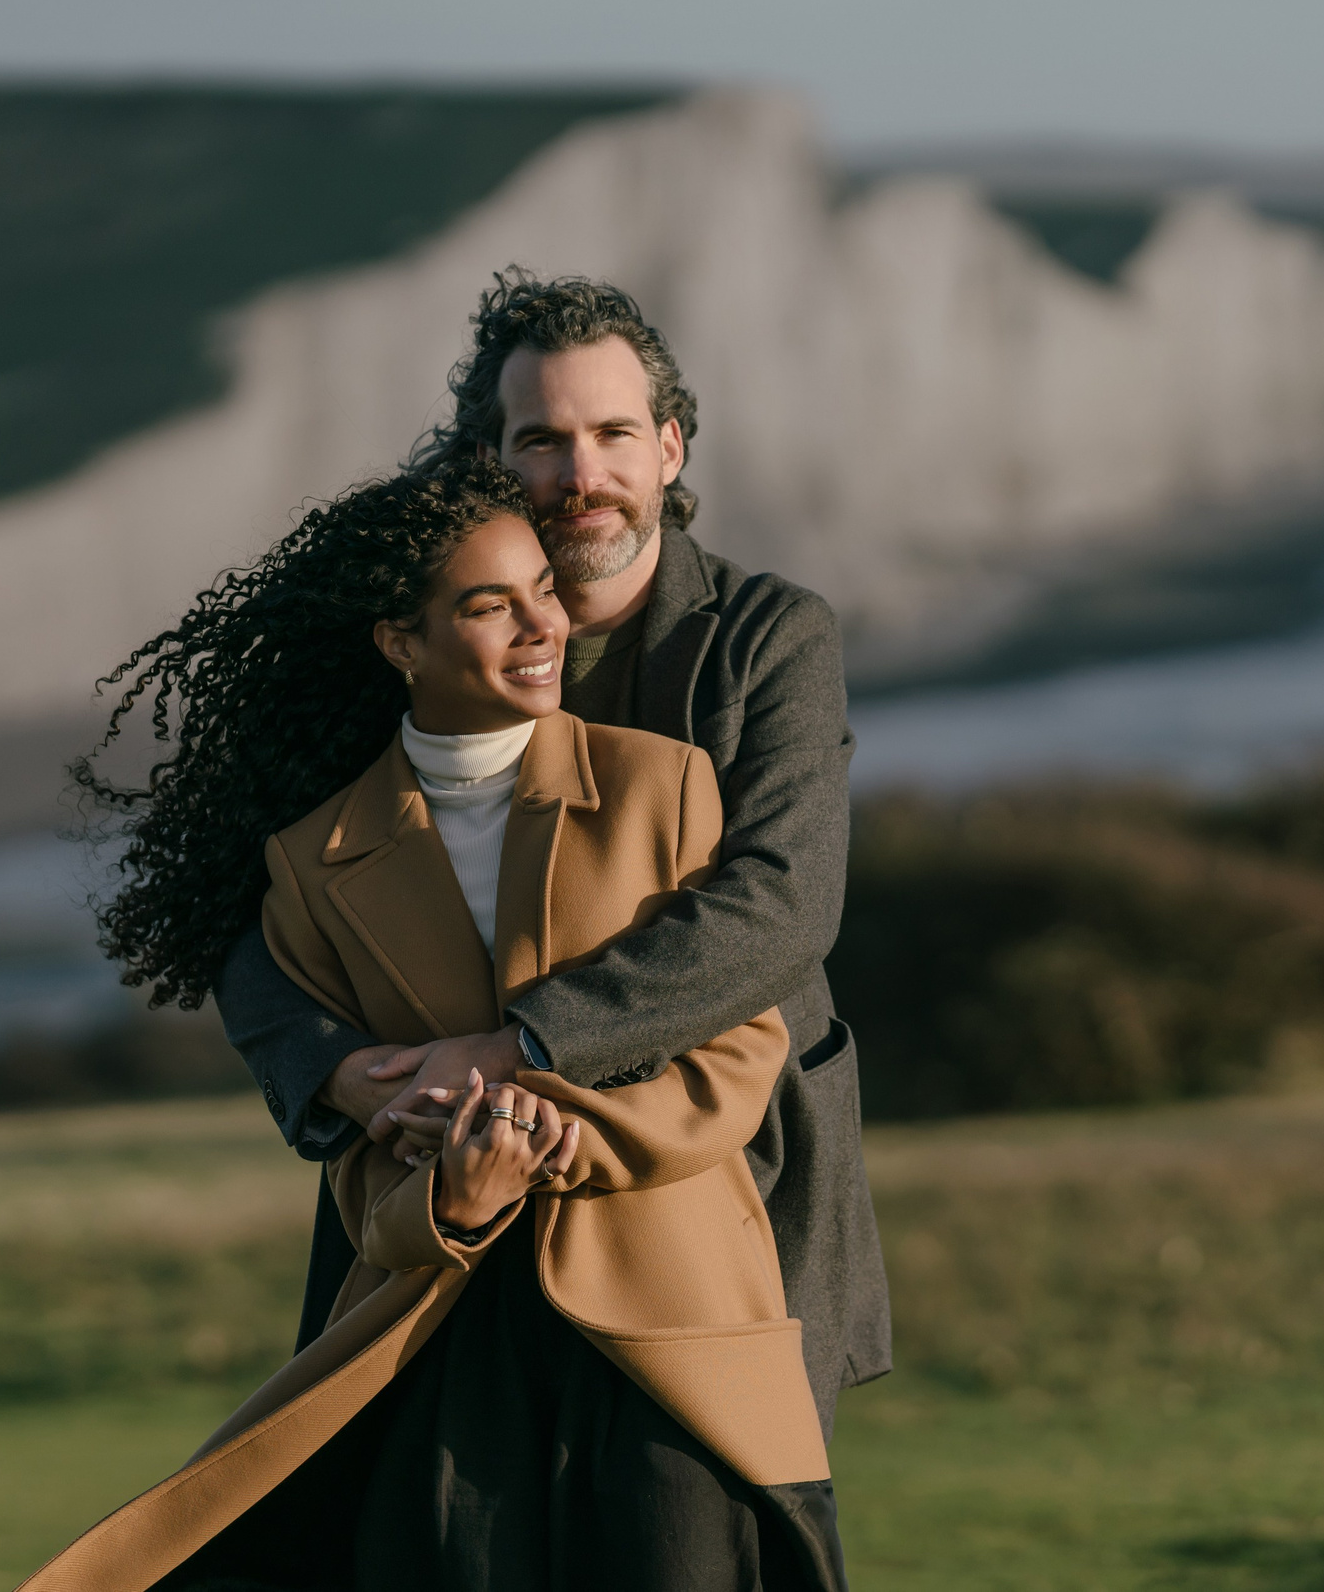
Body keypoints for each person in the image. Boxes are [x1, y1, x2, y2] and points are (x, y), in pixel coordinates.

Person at [32, 460, 844, 1591]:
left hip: (671, 1311)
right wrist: (450, 1201)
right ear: (398, 643)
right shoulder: (308, 868)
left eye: (542, 593)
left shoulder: (669, 785)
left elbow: (740, 1051)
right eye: (487, 604)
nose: (540, 624)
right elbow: (359, 1145)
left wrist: (559, 1136)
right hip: (442, 1338)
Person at [215, 275, 888, 1438]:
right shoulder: (406, 637)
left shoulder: (771, 636)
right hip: (435, 1170)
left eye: (614, 433)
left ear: (670, 446)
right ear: (491, 457)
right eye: (543, 440)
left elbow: (781, 906)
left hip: (725, 1159)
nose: (582, 475)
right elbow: (243, 900)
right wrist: (335, 1067)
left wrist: (520, 1046)